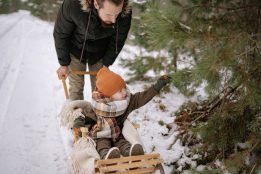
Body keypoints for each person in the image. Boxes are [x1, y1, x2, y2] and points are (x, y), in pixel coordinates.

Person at [73, 67, 171, 159]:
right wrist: (79, 121)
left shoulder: (126, 102)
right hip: (101, 135)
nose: (124, 92)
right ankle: (107, 155)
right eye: (120, 91)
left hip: (117, 135)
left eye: (124, 87)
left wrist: (157, 86)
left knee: (123, 143)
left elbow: (142, 97)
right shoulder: (97, 107)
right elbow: (83, 115)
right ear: (109, 95)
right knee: (102, 144)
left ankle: (130, 152)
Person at [53, 0, 132, 100]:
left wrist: (107, 63)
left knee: (101, 90)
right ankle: (77, 113)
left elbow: (118, 40)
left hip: (100, 53)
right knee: (76, 88)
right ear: (96, 4)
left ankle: (100, 114)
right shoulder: (73, 4)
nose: (114, 20)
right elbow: (61, 33)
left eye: (117, 14)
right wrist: (64, 63)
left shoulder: (125, 11)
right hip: (76, 48)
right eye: (109, 14)